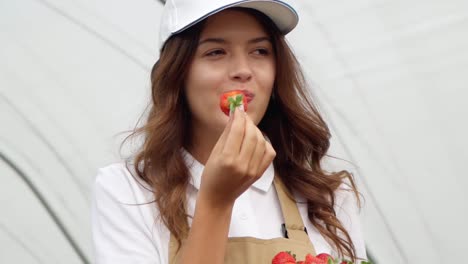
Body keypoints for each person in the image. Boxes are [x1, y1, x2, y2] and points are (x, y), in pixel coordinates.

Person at [91, 0, 368, 263]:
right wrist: (216, 202)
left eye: (260, 51)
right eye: (216, 52)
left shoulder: (328, 198)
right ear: (178, 73)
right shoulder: (128, 190)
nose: (242, 71)